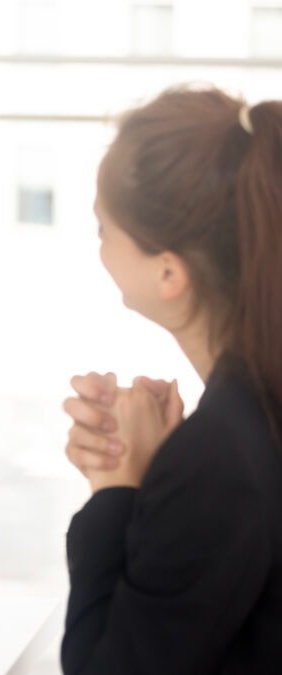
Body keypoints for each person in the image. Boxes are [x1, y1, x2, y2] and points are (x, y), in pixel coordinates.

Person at [59, 86, 282, 672]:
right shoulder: (251, 414)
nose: (100, 248)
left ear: (167, 272)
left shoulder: (219, 455)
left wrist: (116, 490)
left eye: (104, 229)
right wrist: (154, 472)